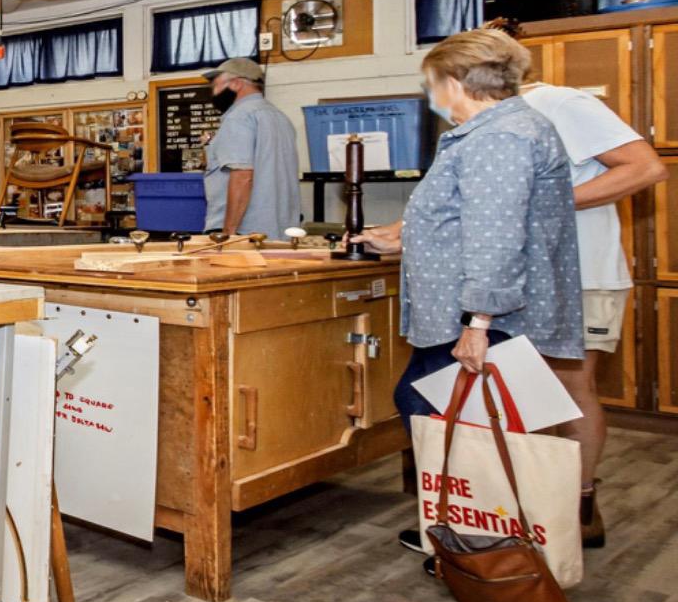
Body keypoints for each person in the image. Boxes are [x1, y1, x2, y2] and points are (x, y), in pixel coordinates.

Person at [349, 28, 582, 558]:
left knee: (458, 419)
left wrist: (478, 323)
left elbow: (497, 234)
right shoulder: (504, 129)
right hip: (479, 310)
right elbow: (468, 220)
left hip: (486, 316)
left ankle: (483, 542)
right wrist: (406, 240)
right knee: (456, 415)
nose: (433, 99)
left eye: (433, 85)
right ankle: (475, 527)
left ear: (455, 82)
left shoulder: (499, 137)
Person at [517, 59, 664, 546]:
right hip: (528, 278)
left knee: (573, 389)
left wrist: (549, 199)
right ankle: (536, 505)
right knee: (525, 396)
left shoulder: (562, 102)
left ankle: (580, 506)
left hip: (582, 274)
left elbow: (646, 167)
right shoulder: (498, 116)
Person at [201, 57, 302, 238]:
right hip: (281, 231)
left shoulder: (239, 117)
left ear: (236, 83)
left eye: (216, 86)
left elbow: (242, 177)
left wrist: (228, 233)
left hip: (245, 232)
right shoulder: (280, 118)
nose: (214, 93)